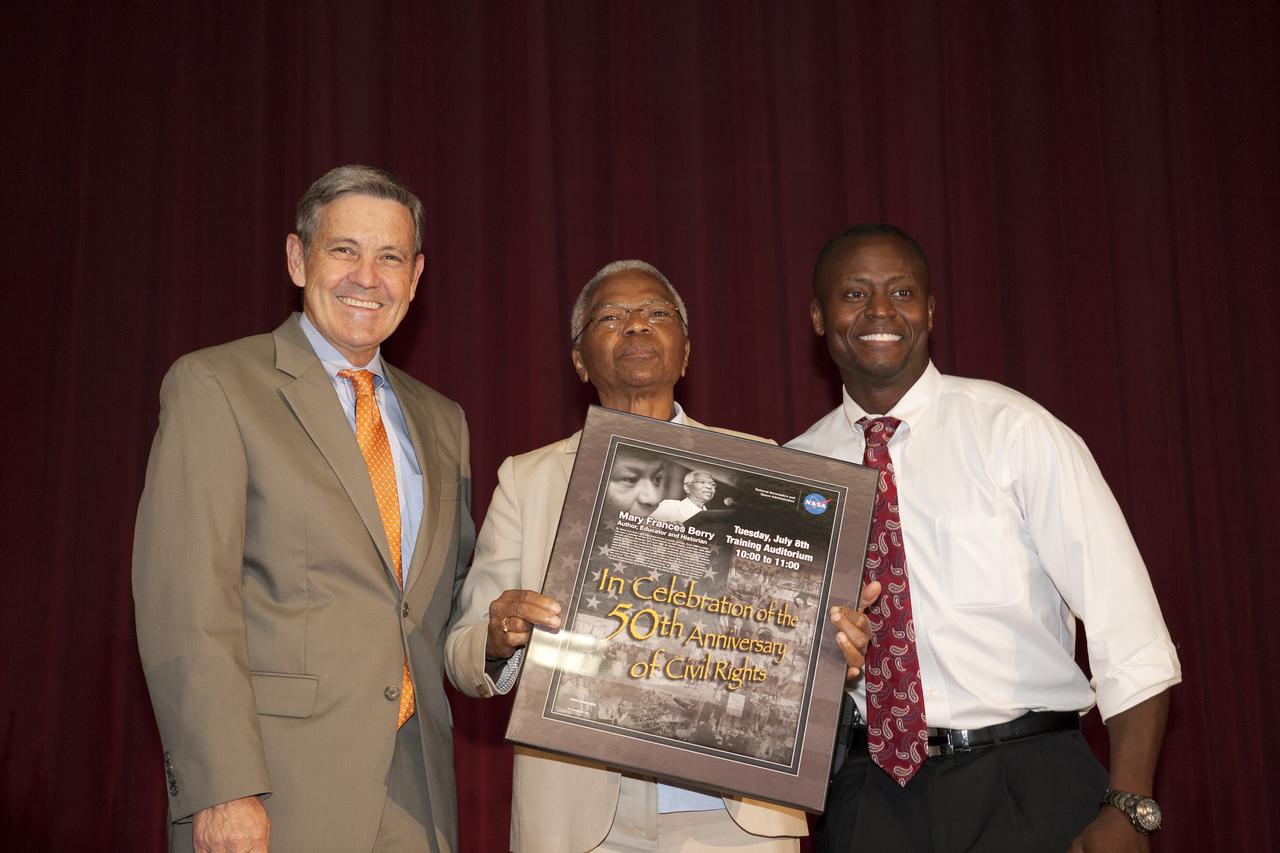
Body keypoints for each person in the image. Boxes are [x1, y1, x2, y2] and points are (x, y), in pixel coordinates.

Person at [445, 259, 874, 852]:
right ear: (578, 359)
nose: (637, 327)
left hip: (736, 815)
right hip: (586, 818)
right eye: (612, 317)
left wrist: (836, 649)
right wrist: (497, 639)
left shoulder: (761, 467)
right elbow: (461, 649)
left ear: (686, 351)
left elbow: (796, 639)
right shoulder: (528, 479)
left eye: (656, 314)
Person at [790, 224, 1181, 852]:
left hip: (1027, 784)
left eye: (902, 291)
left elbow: (1130, 632)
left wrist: (1129, 807)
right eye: (855, 295)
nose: (881, 312)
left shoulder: (1016, 432)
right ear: (818, 316)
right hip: (871, 801)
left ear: (931, 311)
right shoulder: (796, 471)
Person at [132, 165, 474, 853]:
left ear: (416, 276)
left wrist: (508, 633)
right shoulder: (218, 386)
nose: (366, 277)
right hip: (274, 791)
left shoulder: (443, 420)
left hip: (419, 794)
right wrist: (222, 787)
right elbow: (186, 601)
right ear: (298, 258)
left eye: (390, 258)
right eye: (344, 249)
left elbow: (447, 598)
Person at [649, 470, 717, 523]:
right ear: (687, 487)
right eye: (702, 482)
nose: (709, 487)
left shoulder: (712, 519)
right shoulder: (669, 507)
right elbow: (644, 532)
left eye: (713, 484)